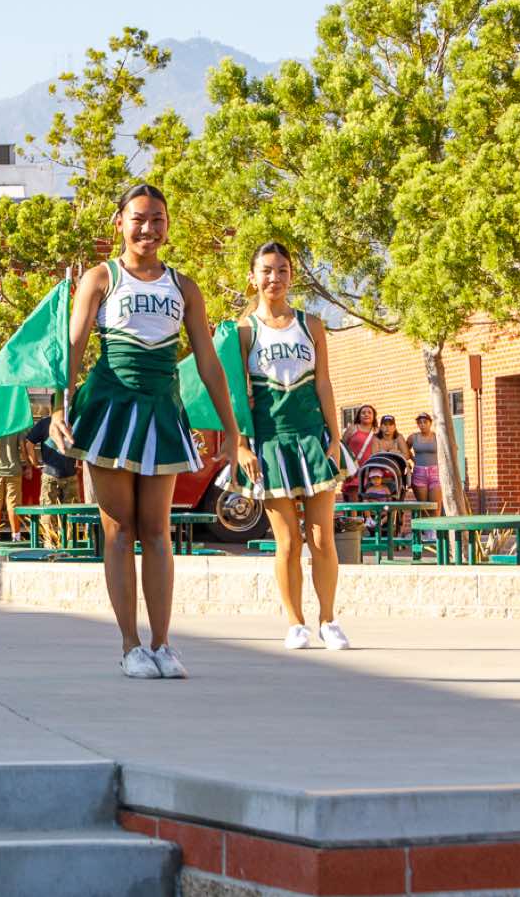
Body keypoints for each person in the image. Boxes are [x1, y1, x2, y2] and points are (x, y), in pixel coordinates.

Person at [49, 183, 243, 681]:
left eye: (158, 219)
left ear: (168, 226)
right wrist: (56, 408)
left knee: (158, 531)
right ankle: (130, 646)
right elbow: (73, 346)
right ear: (120, 223)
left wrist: (231, 427)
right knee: (119, 530)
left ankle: (162, 643)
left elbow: (208, 361)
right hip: (109, 411)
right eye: (138, 218)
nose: (148, 228)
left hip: (161, 411)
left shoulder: (184, 287)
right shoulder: (101, 277)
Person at [230, 241, 352, 653]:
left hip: (312, 438)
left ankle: (329, 620)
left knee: (322, 538)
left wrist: (335, 437)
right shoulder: (244, 331)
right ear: (252, 277)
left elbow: (324, 382)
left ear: (291, 276)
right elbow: (236, 393)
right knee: (287, 542)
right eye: (266, 270)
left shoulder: (310, 324)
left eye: (282, 270)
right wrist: (241, 445)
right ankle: (295, 622)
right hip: (270, 442)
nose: (274, 278)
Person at [30, 417, 81, 548]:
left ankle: (50, 542)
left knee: (48, 509)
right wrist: (78, 463)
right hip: (70, 473)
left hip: (49, 473)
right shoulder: (73, 422)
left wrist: (35, 463)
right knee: (71, 511)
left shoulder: (44, 423)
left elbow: (29, 443)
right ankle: (70, 543)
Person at [407, 412, 441, 508]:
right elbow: (405, 449)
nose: (422, 425)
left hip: (435, 473)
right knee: (423, 507)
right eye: (420, 423)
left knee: (435, 506)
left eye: (425, 422)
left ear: (430, 423)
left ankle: (436, 519)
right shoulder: (413, 437)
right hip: (419, 473)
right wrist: (413, 459)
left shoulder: (437, 436)